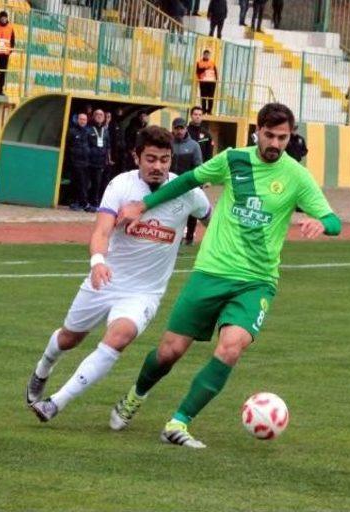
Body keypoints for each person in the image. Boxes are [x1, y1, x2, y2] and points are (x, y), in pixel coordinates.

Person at [109, 103, 341, 448]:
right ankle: (135, 396)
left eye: (283, 136)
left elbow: (335, 222)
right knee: (170, 352)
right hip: (211, 272)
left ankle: (179, 422)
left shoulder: (297, 177)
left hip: (257, 281)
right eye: (270, 135)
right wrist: (143, 205)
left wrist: (322, 222)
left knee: (231, 349)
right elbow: (189, 181)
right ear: (257, 131)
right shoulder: (234, 160)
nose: (276, 143)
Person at [25, 126, 211, 422]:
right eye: (150, 158)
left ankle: (55, 403)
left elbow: (212, 222)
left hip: (144, 293)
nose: (158, 166)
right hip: (106, 279)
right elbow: (101, 230)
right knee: (69, 338)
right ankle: (43, 368)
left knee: (119, 337)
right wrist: (98, 261)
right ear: (136, 156)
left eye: (164, 159)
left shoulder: (188, 192)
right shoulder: (120, 185)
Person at [186, 106, 214, 245]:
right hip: (185, 173)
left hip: (199, 175)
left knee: (194, 204)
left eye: (199, 114)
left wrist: (207, 177)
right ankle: (178, 235)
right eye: (195, 114)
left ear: (202, 116)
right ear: (191, 116)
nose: (197, 116)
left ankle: (190, 236)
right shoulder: (185, 131)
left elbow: (209, 157)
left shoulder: (207, 135)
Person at [67, 112, 91, 211]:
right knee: (77, 183)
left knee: (84, 183)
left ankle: (81, 203)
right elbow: (68, 146)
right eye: (81, 119)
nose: (82, 121)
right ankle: (78, 203)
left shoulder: (88, 132)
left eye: (84, 119)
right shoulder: (72, 131)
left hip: (86, 162)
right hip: (75, 162)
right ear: (77, 120)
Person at [87, 109, 111, 212]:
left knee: (97, 183)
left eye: (101, 114)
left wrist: (108, 159)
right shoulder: (88, 129)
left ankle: (95, 203)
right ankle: (83, 202)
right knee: (86, 183)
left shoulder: (105, 130)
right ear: (93, 116)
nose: (99, 116)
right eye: (97, 114)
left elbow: (108, 146)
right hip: (88, 161)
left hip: (100, 162)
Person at [196, 50, 218, 115]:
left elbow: (216, 72)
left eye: (208, 55)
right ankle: (203, 110)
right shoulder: (199, 63)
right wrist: (205, 68)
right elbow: (198, 71)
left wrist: (216, 80)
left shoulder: (212, 63)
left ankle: (209, 111)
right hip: (203, 81)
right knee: (203, 97)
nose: (207, 56)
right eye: (205, 54)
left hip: (211, 82)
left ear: (209, 55)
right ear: (203, 55)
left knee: (211, 97)